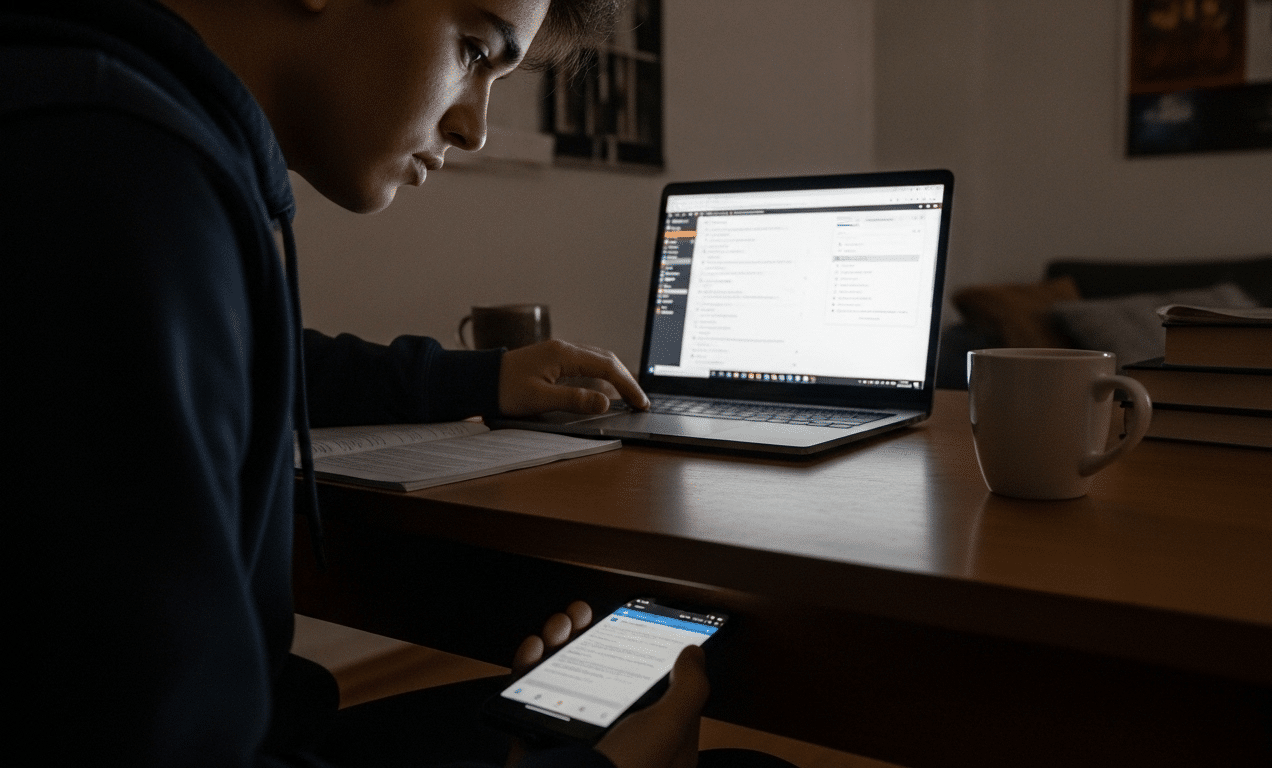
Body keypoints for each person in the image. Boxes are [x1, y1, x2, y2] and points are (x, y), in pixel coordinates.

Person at [3, 1, 792, 766]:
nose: (474, 128)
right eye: (477, 51)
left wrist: (482, 377)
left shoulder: (110, 129)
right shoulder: (120, 187)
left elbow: (239, 356)